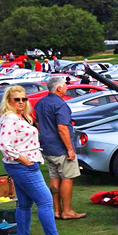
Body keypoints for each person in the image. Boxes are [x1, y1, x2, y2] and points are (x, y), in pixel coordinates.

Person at [0, 86, 78, 235]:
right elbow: (4, 144)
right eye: (16, 99)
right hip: (23, 165)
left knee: (25, 204)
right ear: (8, 101)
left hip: (21, 164)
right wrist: (25, 160)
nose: (21, 102)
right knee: (46, 201)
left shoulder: (18, 117)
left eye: (24, 99)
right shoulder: (10, 118)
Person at [34, 76, 85, 220]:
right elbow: (62, 128)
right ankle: (67, 211)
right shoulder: (61, 105)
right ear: (59, 88)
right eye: (65, 85)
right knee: (67, 177)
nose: (67, 88)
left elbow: (38, 124)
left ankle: (56, 210)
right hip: (60, 147)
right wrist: (70, 149)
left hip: (46, 146)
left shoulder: (40, 103)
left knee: (54, 176)